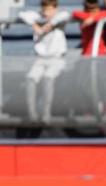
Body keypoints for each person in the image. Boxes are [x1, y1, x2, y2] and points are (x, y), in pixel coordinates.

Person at [17, 0, 70, 138]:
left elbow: (65, 15)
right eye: (45, 10)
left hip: (56, 59)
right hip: (40, 59)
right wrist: (35, 25)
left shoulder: (59, 20)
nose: (47, 13)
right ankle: (33, 113)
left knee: (48, 78)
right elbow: (22, 14)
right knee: (30, 79)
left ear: (55, 9)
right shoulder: (37, 18)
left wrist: (50, 24)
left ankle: (46, 113)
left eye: (50, 10)